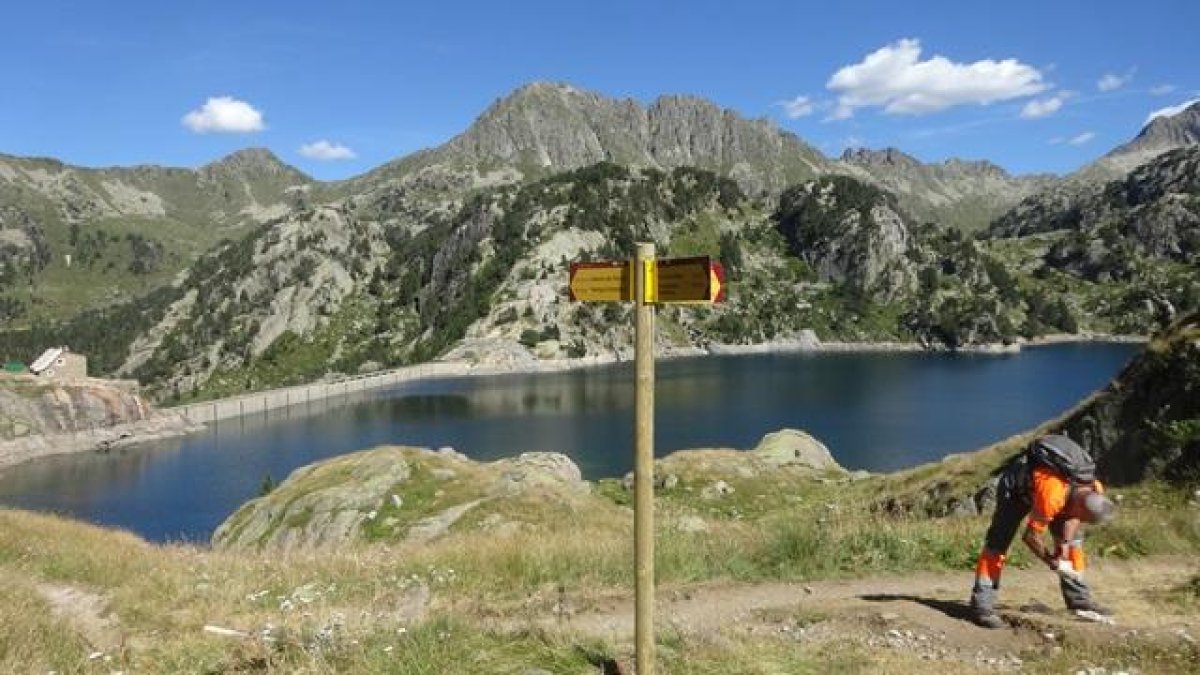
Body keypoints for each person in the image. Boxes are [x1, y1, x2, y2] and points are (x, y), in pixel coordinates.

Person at [969, 434, 1116, 628]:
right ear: (1080, 506)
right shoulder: (1052, 496)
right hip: (1016, 491)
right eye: (1084, 517)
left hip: (1058, 499)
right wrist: (1053, 562)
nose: (1082, 521)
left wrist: (1063, 545)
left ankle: (1079, 601)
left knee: (1073, 545)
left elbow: (1074, 517)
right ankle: (982, 606)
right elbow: (1030, 537)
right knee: (998, 543)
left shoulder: (1093, 488)